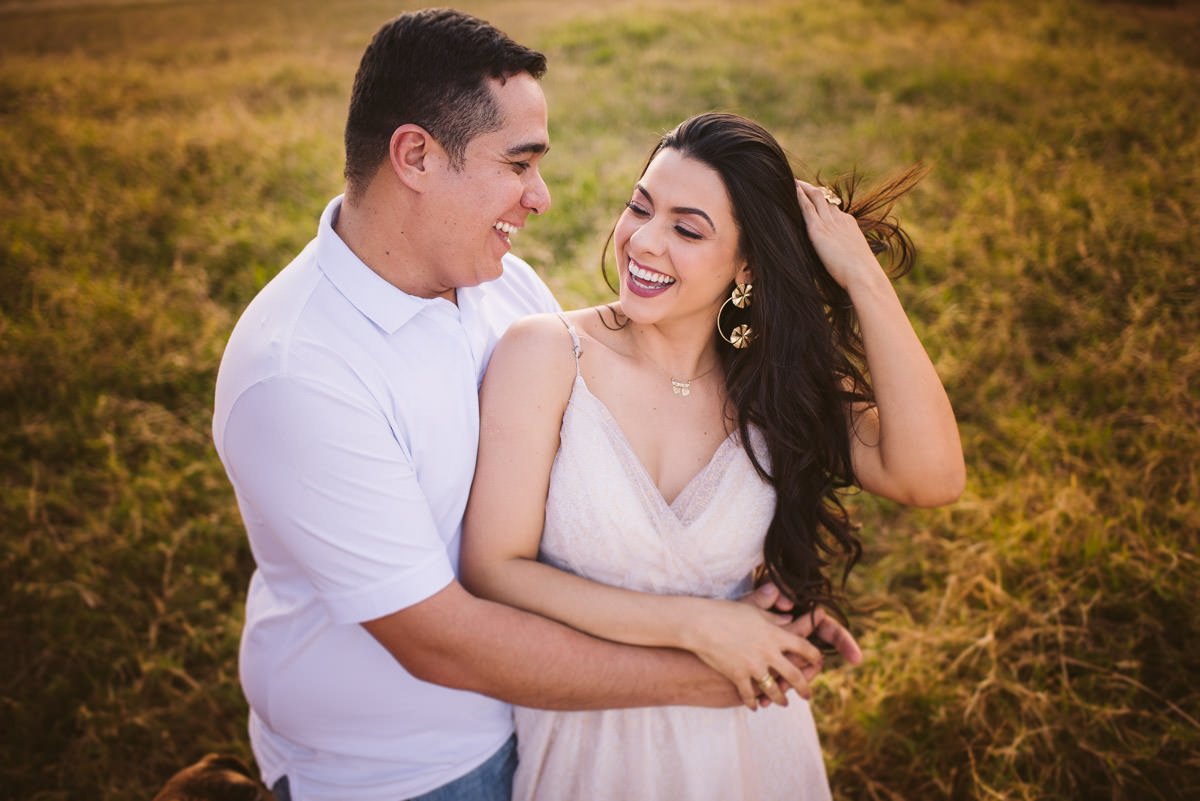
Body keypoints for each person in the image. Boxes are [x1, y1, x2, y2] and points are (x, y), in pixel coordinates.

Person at [212, 11, 860, 801]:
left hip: (545, 725)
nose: (543, 196)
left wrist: (738, 601)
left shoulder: (499, 283)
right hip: (402, 771)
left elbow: (585, 483)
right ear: (415, 154)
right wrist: (717, 668)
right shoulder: (298, 374)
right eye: (519, 164)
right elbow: (439, 642)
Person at [460, 112, 966, 800]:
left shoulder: (774, 383)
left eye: (688, 229)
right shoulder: (547, 354)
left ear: (747, 264)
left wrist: (862, 278)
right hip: (589, 747)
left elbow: (930, 477)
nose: (644, 240)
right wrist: (703, 625)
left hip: (750, 743)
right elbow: (495, 569)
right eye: (640, 206)